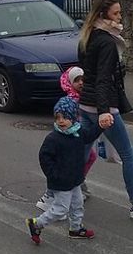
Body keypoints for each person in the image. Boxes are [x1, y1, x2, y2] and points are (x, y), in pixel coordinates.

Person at [78, 0, 133, 221]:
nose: (120, 17)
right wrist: (105, 110)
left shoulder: (88, 36)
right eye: (116, 13)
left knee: (84, 149)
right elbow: (103, 79)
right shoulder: (107, 42)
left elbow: (88, 73)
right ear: (102, 14)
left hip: (86, 104)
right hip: (103, 107)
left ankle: (63, 191)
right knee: (127, 154)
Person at [25, 97, 112, 244]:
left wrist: (100, 125)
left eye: (65, 117)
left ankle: (75, 228)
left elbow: (90, 135)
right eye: (58, 117)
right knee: (60, 209)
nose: (61, 121)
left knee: (77, 205)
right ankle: (36, 224)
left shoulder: (78, 133)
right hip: (60, 181)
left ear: (73, 117)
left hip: (75, 179)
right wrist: (53, 174)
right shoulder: (53, 138)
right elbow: (44, 157)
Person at [36, 66, 98, 211]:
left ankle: (77, 184)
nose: (81, 83)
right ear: (70, 82)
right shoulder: (70, 99)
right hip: (69, 140)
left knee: (89, 157)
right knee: (67, 164)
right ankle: (50, 195)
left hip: (76, 137)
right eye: (77, 80)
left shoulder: (84, 96)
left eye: (83, 79)